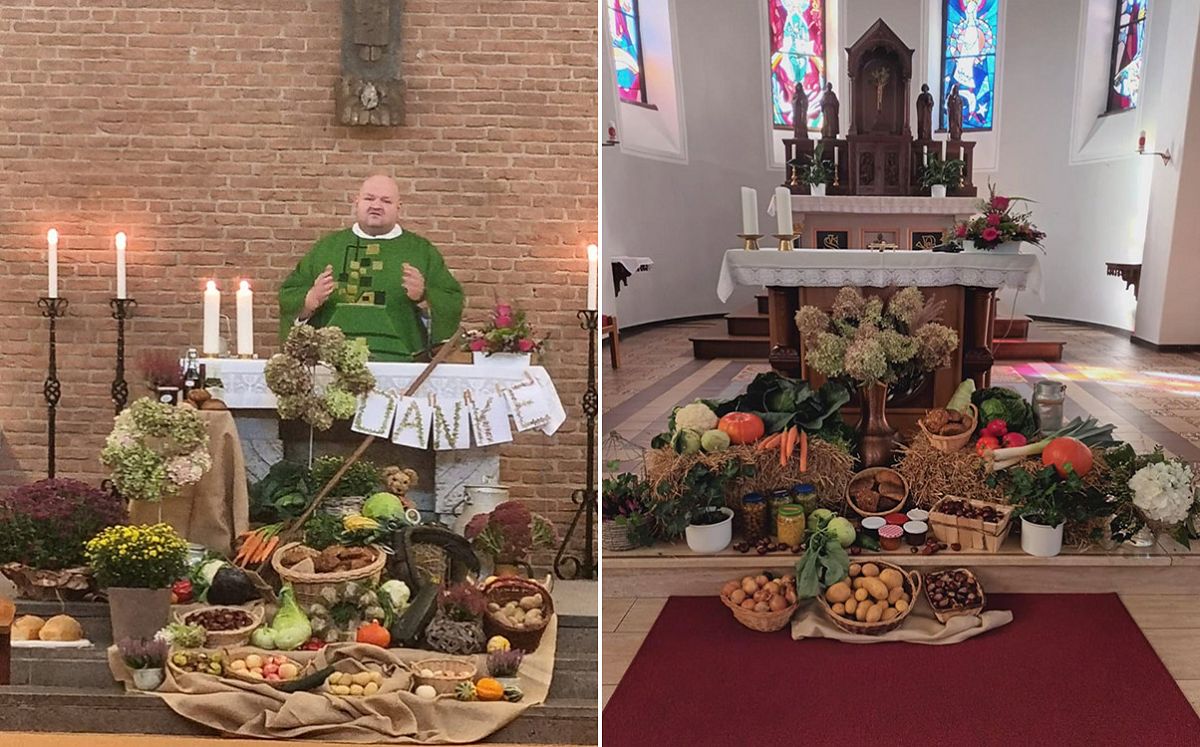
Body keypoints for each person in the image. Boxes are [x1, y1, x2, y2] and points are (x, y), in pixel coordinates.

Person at [278, 175, 464, 361]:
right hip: (333, 363)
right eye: (369, 198)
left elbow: (450, 302)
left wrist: (424, 298)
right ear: (356, 202)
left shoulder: (421, 251)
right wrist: (309, 300)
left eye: (386, 201)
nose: (376, 205)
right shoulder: (328, 248)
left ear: (399, 207)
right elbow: (289, 296)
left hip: (401, 361)